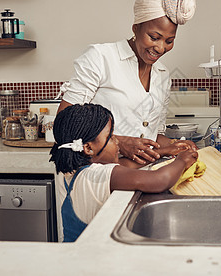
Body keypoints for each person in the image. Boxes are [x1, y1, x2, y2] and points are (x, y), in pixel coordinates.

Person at [58, 0, 197, 167]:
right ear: (135, 28)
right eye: (154, 37)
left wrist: (174, 144)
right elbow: (64, 123)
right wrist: (121, 143)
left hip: (139, 175)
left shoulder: (162, 75)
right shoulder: (101, 58)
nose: (161, 47)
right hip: (96, 177)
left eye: (169, 41)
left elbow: (152, 135)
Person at [50, 103, 198, 242]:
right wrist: (182, 161)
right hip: (91, 261)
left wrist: (164, 151)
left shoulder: (76, 172)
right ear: (88, 148)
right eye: (110, 137)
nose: (117, 141)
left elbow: (124, 165)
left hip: (74, 256)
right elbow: (160, 180)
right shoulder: (98, 176)